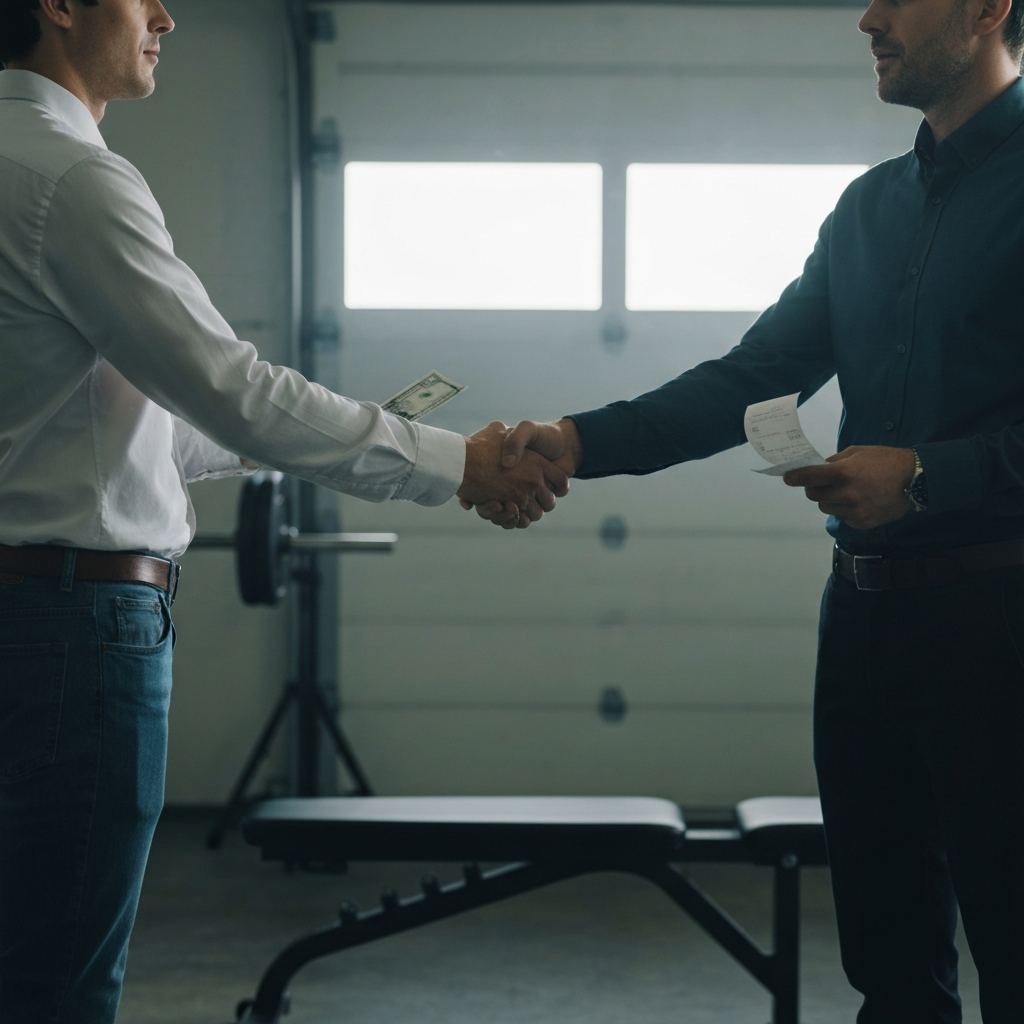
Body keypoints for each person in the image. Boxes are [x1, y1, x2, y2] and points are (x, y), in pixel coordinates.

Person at [0, 1, 569, 1020]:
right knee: (55, 982)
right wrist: (452, 460)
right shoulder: (71, 177)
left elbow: (152, 427)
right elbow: (231, 386)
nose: (167, 16)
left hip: (30, 614)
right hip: (68, 632)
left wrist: (370, 435)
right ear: (61, 5)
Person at [470, 0, 1024, 1018]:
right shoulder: (868, 209)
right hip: (862, 618)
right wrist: (580, 441)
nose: (867, 16)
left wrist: (926, 473)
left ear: (988, 7)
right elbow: (754, 374)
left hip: (999, 621)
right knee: (889, 965)